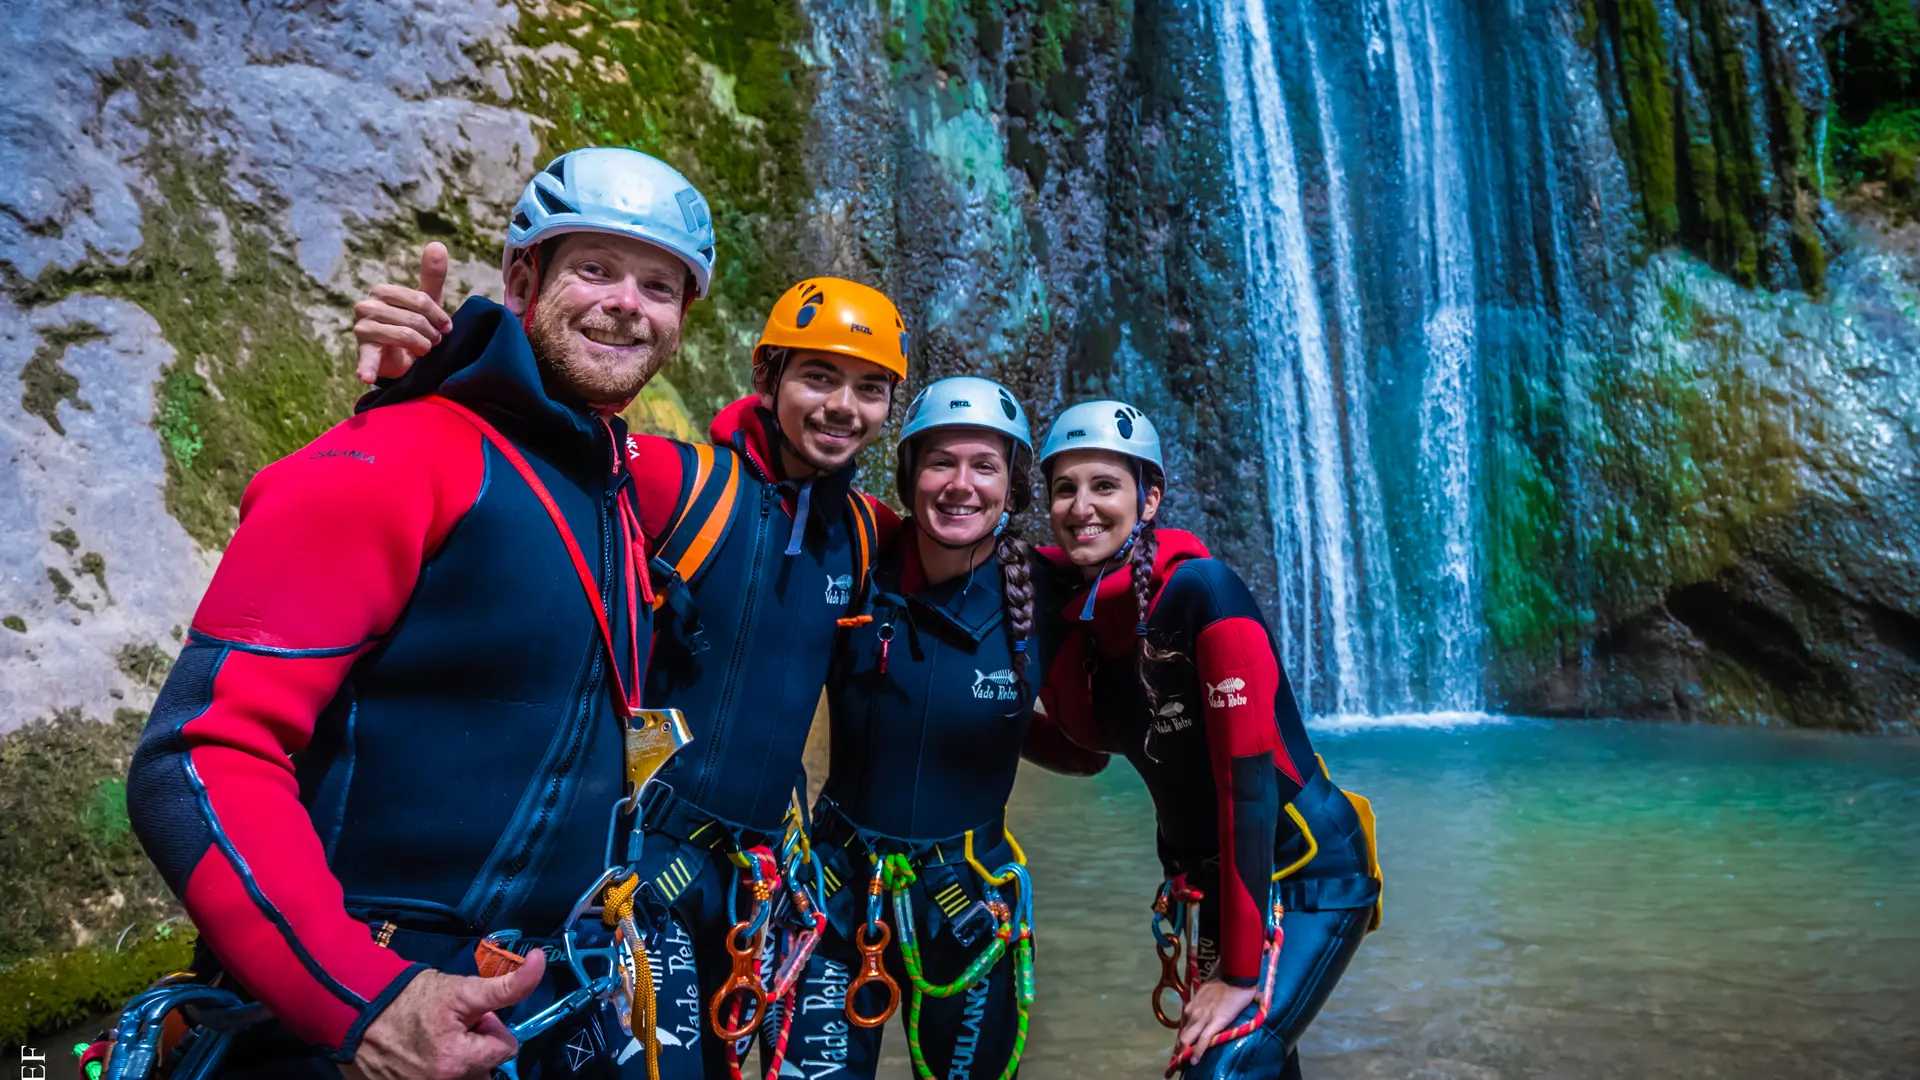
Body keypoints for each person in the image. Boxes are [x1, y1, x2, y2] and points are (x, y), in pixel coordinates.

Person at [125, 146, 718, 1078]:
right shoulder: (393, 458)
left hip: (550, 997)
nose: (624, 304)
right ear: (524, 277)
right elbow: (197, 755)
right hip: (376, 1019)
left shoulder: (612, 492)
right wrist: (364, 1000)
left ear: (683, 318)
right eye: (594, 269)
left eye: (658, 285)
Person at [351, 265, 908, 1079]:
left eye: (869, 388)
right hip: (649, 870)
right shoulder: (680, 481)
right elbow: (514, 455)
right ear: (766, 375)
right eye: (819, 376)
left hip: (763, 879)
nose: (841, 407)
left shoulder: (863, 534)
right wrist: (418, 381)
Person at [1023, 401, 1383, 1080]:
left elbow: (1247, 784)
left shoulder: (1204, 594)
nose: (1081, 506)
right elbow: (1085, 751)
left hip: (1308, 872)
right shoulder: (1090, 624)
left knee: (1225, 1066)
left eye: (1105, 485)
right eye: (1064, 488)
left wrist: (1240, 974)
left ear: (1149, 497)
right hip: (1222, 887)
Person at [777, 377, 1052, 1080]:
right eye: (940, 463)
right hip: (837, 896)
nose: (960, 486)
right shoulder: (856, 559)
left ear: (1014, 489)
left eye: (984, 466)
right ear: (906, 476)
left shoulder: (1051, 596)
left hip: (967, 907)